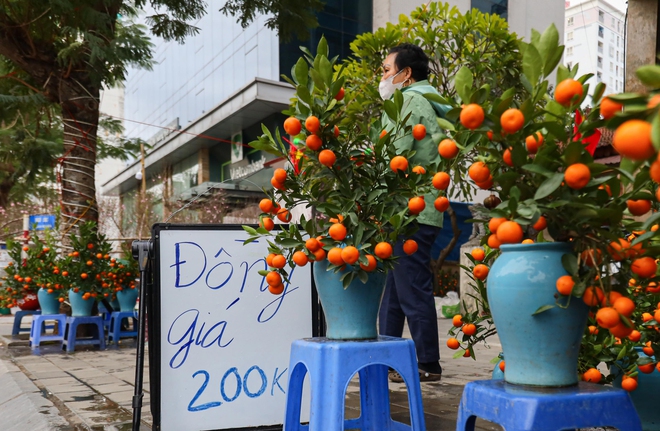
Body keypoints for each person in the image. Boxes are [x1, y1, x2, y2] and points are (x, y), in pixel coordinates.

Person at [378, 43, 449, 382]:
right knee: (395, 291)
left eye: (386, 70)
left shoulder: (406, 100)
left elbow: (393, 156)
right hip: (424, 208)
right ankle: (386, 356)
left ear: (405, 74)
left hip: (407, 210)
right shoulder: (434, 102)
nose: (383, 76)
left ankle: (427, 363)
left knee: (412, 288)